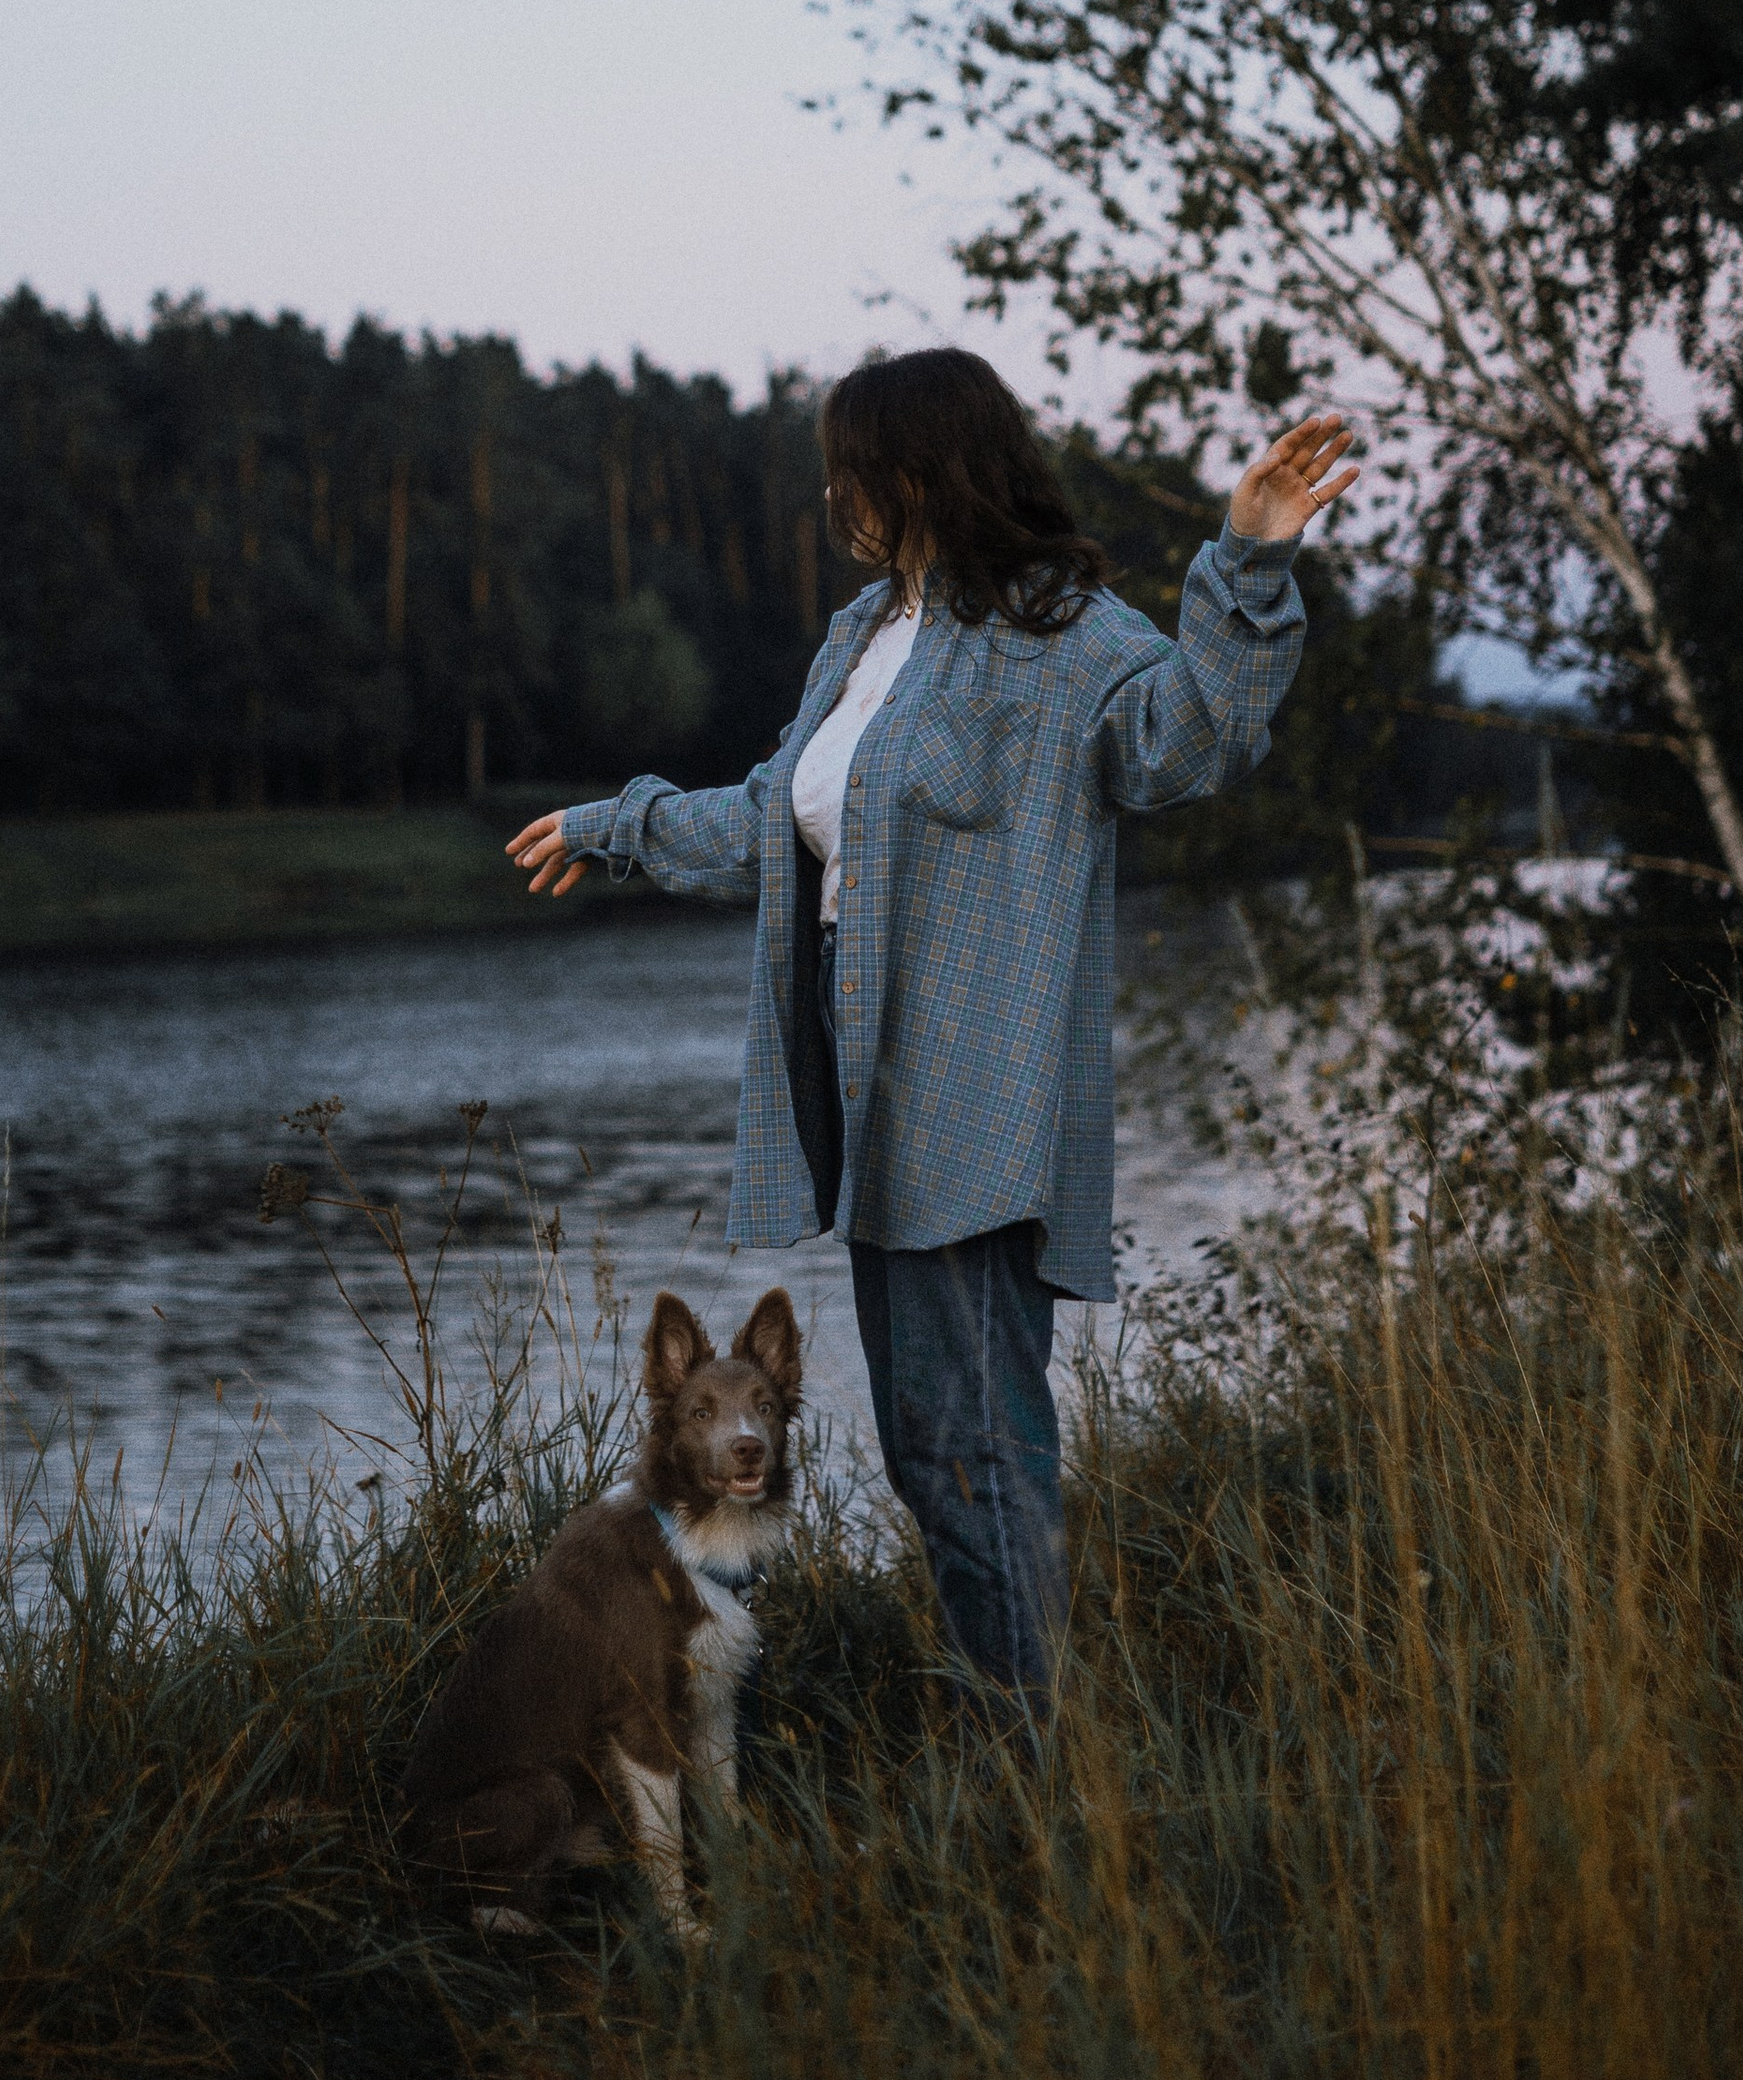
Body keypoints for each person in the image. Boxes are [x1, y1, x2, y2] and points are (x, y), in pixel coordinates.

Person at [507, 346, 1356, 1725]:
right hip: (867, 1086)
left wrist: (1248, 558)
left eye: (851, 469)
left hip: (979, 1079)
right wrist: (614, 826)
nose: (834, 496)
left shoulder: (1056, 627)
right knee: (928, 1445)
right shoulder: (862, 635)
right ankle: (1017, 1728)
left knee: (973, 1445)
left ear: (918, 472)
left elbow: (1189, 738)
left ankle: (1032, 1757)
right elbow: (772, 821)